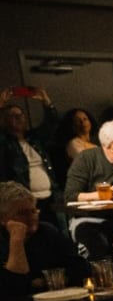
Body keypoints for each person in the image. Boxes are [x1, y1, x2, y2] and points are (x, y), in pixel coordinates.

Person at [0, 88, 62, 231]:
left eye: (20, 115)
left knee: (55, 234)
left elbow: (52, 124)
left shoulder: (33, 139)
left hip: (49, 198)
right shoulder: (4, 142)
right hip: (24, 201)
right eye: (11, 116)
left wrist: (46, 102)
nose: (17, 118)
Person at [50, 106, 97, 172]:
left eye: (85, 119)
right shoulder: (74, 143)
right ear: (72, 125)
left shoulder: (96, 144)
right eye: (78, 120)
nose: (82, 122)